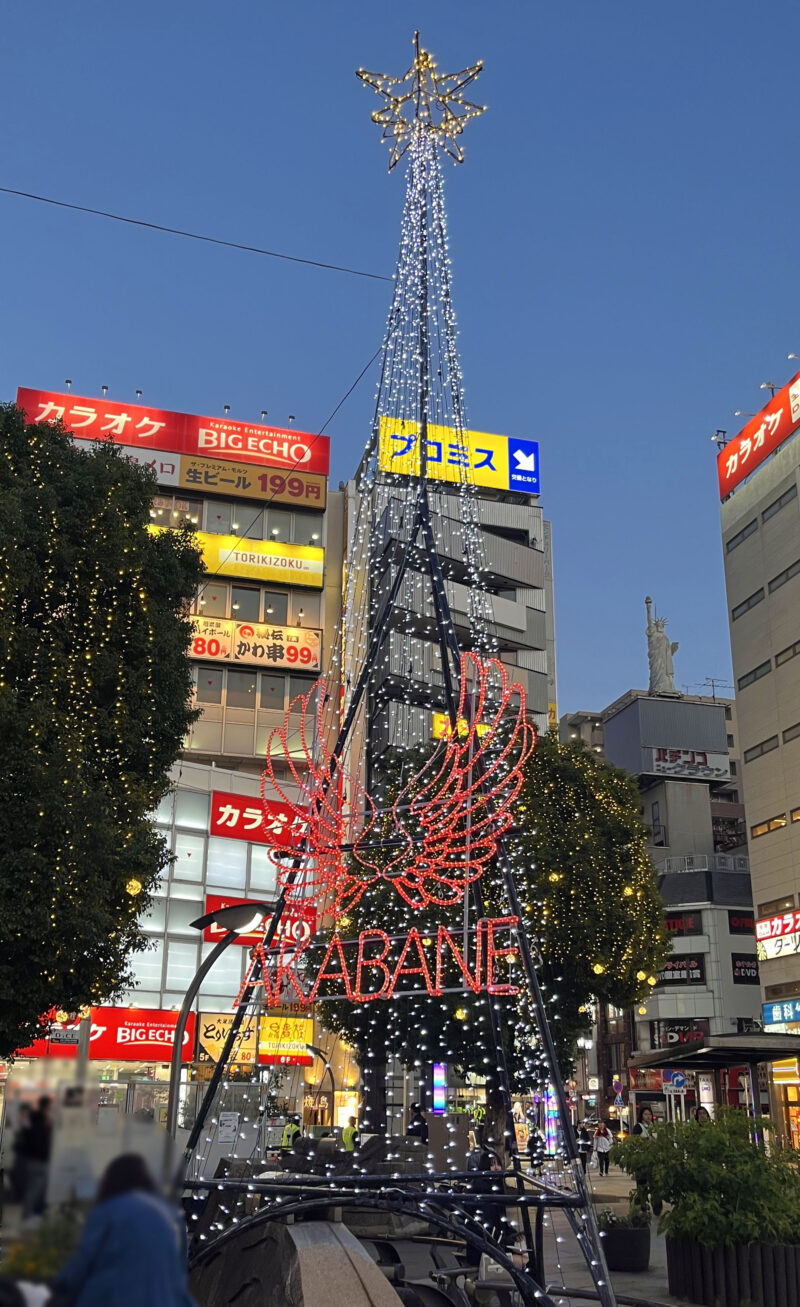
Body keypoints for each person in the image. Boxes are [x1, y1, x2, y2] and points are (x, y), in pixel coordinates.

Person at [51, 1153, 197, 1307]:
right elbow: (179, 1269)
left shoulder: (108, 1211)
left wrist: (61, 1285)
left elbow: (83, 1261)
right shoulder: (171, 1216)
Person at [21, 1096, 52, 1218]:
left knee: (34, 1187)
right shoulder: (40, 1120)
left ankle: (29, 1213)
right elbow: (39, 1141)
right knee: (36, 1188)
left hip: (33, 1159)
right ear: (47, 1106)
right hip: (39, 1159)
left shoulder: (33, 1118)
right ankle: (29, 1214)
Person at [10, 1104, 31, 1202]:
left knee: (21, 1176)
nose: (21, 1114)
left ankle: (21, 1197)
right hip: (20, 1154)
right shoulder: (21, 1122)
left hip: (25, 1155)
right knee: (16, 1175)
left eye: (23, 1112)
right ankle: (19, 1195)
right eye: (21, 1112)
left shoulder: (28, 1123)